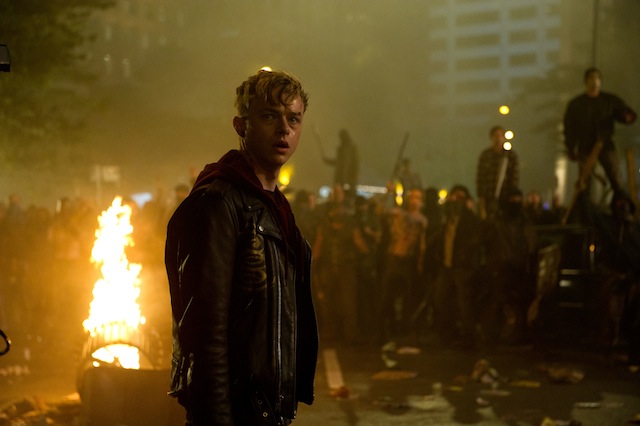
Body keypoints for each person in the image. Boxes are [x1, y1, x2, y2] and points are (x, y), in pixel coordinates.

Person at [165, 69, 318, 425]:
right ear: (241, 125)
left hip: (266, 410)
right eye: (269, 117)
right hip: (235, 413)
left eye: (293, 119)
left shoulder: (275, 209)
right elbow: (205, 336)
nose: (284, 129)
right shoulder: (218, 204)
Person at [563, 67, 637, 217]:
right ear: (586, 81)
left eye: (597, 78)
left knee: (616, 178)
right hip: (585, 147)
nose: (595, 81)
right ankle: (585, 213)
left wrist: (627, 116)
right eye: (591, 78)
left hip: (605, 145)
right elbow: (569, 127)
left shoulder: (609, 101)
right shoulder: (576, 104)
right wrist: (571, 148)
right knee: (584, 182)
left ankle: (621, 210)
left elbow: (624, 113)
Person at [476, 126, 519, 220]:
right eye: (496, 136)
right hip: (488, 196)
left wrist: (512, 194)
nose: (498, 138)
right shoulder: (485, 155)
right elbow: (480, 177)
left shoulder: (510, 155)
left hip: (505, 197)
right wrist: (481, 197)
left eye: (500, 135)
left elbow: (514, 177)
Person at [322, 128, 359, 202]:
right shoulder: (342, 149)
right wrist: (328, 161)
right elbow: (339, 162)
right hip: (341, 178)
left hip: (349, 179)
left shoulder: (352, 149)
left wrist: (352, 177)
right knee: (339, 197)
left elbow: (354, 164)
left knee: (348, 197)